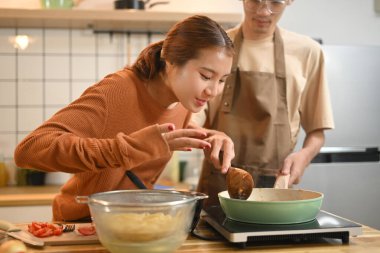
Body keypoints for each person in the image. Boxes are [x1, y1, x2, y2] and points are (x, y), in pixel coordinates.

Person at [14, 15, 234, 222]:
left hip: (130, 224)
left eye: (222, 80)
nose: (213, 91)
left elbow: (160, 132)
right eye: (206, 76)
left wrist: (211, 137)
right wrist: (127, 150)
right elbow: (29, 150)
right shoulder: (118, 90)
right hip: (81, 225)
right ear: (171, 62)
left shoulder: (183, 101)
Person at [190, 0, 335, 206]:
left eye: (275, 2)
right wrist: (213, 137)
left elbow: (317, 132)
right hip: (218, 185)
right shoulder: (216, 48)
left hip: (276, 187)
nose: (263, 11)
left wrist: (304, 156)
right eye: (254, 0)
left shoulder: (308, 52)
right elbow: (189, 123)